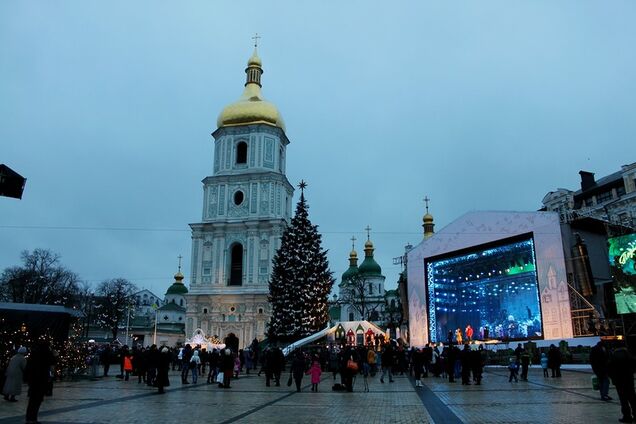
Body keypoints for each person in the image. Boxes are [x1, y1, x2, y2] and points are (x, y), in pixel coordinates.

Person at [24, 340, 55, 424]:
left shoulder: (34, 353)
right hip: (41, 379)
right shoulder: (47, 353)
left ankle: (29, 418)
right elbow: (52, 362)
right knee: (37, 400)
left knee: (32, 400)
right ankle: (33, 419)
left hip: (33, 379)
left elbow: (28, 366)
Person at [609, 344, 636, 423]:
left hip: (619, 381)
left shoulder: (613, 356)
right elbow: (634, 365)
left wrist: (613, 378)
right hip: (629, 380)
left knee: (623, 400)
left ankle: (627, 417)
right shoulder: (628, 355)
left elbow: (609, 368)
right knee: (633, 399)